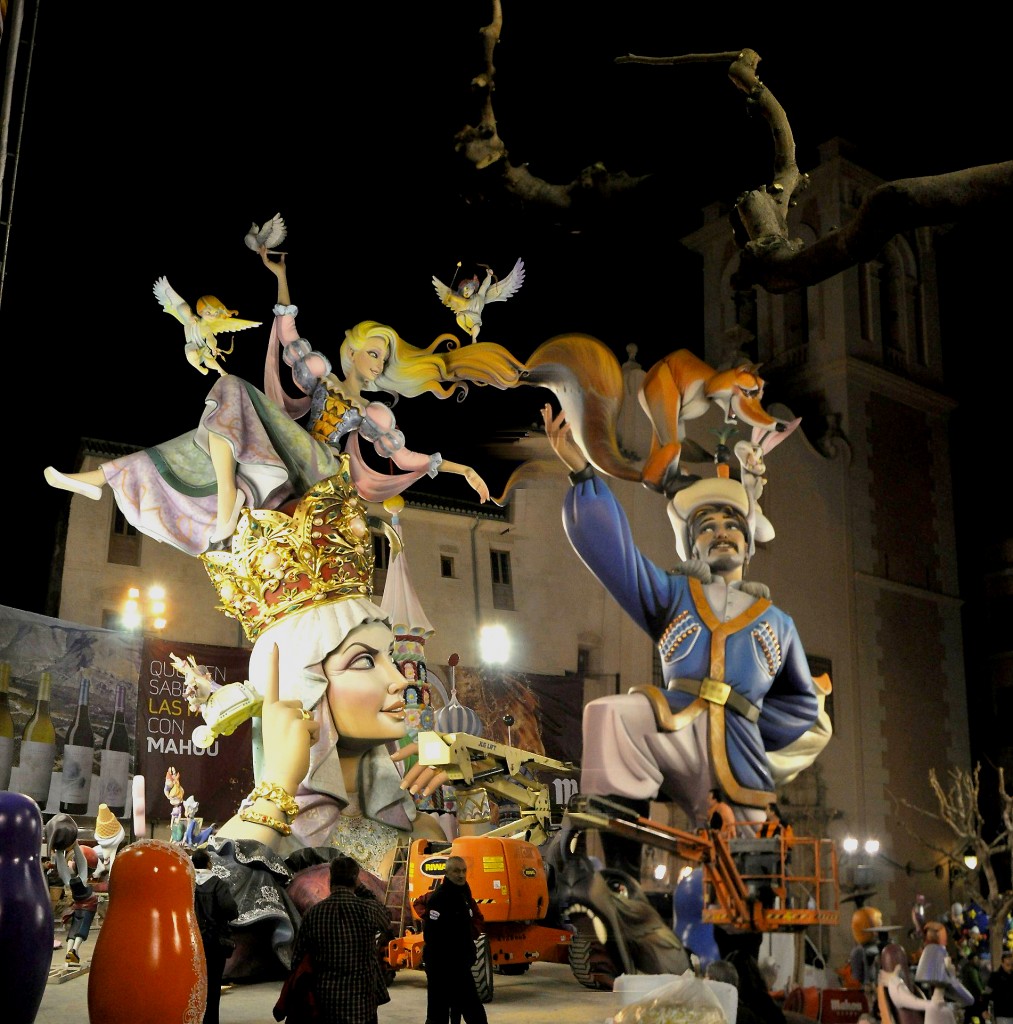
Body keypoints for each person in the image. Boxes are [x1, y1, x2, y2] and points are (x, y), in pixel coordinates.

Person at [43, 247, 528, 552]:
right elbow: (288, 332)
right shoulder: (321, 375)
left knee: (232, 392)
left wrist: (461, 470)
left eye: (383, 359)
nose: (377, 363)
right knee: (211, 423)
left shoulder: (371, 414)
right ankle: (103, 478)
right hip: (289, 446)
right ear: (353, 351)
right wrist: (280, 275)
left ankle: (228, 501)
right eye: (373, 352)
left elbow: (403, 457)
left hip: (318, 465)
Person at [542, 402, 827, 876]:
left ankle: (744, 908)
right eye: (707, 528)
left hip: (740, 747)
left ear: (748, 546)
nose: (721, 534)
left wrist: (754, 723)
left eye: (732, 526)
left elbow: (801, 702)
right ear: (692, 543)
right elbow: (617, 558)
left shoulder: (777, 622)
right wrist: (582, 474)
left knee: (748, 869)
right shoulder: (674, 595)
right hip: (674, 724)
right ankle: (621, 875)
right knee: (611, 715)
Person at [197, 464, 451, 979]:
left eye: (391, 658)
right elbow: (201, 909)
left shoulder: (404, 821)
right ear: (304, 687)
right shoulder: (276, 839)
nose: (398, 681)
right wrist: (277, 787)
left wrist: (470, 789)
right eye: (365, 661)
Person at [288, 855, 392, 1024]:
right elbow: (386, 919)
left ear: (331, 878)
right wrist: (363, 890)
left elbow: (297, 959)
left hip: (325, 1006)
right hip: (362, 1006)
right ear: (356, 880)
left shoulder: (314, 914)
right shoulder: (368, 910)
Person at [420, 855, 488, 1024]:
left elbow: (471, 923)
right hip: (442, 966)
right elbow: (432, 935)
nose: (461, 875)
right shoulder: (439, 898)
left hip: (461, 964)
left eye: (464, 871)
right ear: (447, 873)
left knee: (474, 1012)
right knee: (438, 1014)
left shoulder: (464, 894)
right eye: (456, 871)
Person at [191, 847, 239, 1024]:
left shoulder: (187, 884)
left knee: (193, 985)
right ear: (209, 864)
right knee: (212, 985)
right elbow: (230, 910)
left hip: (191, 942)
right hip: (215, 943)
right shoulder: (218, 884)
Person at [985, 950, 1013, 1024]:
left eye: (1012, 965)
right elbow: (987, 994)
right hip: (1002, 1015)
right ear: (1002, 963)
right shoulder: (995, 977)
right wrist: (984, 1009)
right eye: (1008, 965)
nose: (1010, 967)